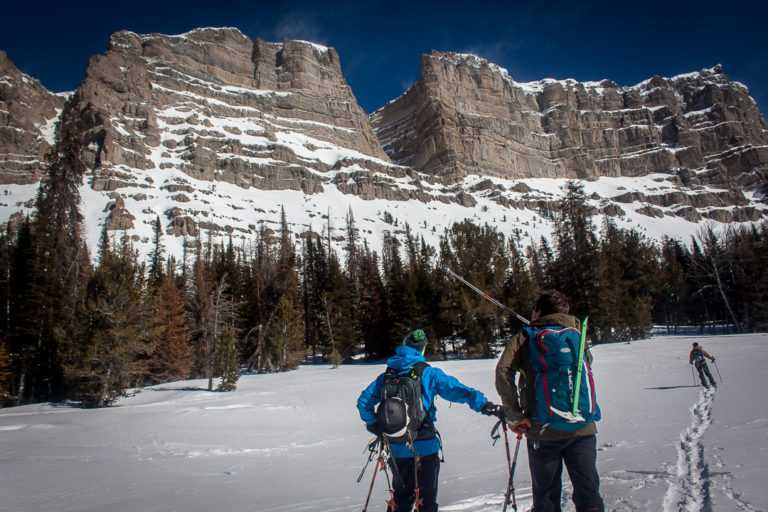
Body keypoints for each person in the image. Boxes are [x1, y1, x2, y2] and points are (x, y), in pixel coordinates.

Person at [357, 329, 502, 512]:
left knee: (401, 500)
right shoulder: (428, 373)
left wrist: (374, 425)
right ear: (422, 350)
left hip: (397, 448)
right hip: (425, 446)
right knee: (426, 502)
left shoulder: (387, 375)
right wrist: (484, 405)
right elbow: (457, 390)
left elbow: (363, 403)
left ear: (403, 346)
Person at [496, 290, 604, 512]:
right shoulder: (577, 334)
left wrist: (515, 416)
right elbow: (587, 364)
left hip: (542, 429)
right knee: (588, 492)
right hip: (583, 426)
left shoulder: (526, 337)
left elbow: (503, 372)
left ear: (538, 311)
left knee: (546, 497)